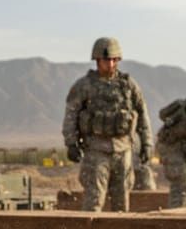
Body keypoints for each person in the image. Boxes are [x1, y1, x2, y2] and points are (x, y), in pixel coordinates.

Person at [61, 37, 153, 212]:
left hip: (123, 150)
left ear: (118, 60)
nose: (110, 64)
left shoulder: (128, 85)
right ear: (97, 60)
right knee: (94, 200)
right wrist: (71, 143)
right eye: (106, 60)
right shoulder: (85, 85)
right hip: (96, 150)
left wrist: (147, 144)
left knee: (122, 201)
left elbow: (142, 115)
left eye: (113, 59)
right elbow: (70, 115)